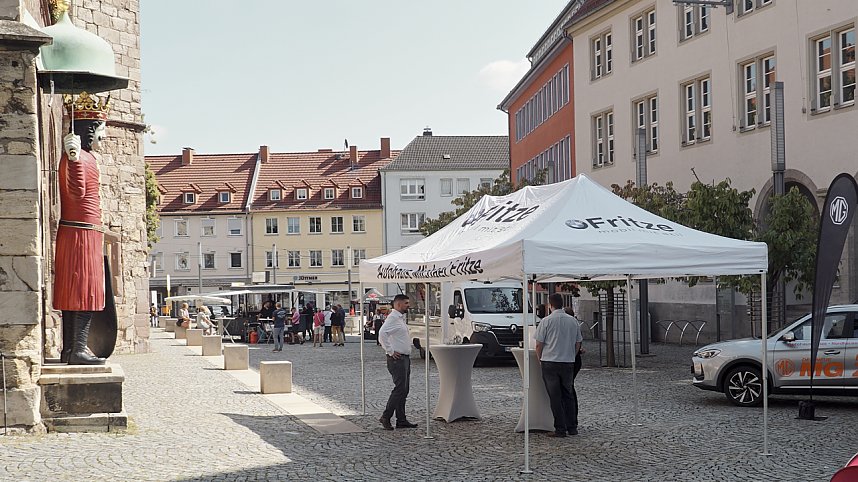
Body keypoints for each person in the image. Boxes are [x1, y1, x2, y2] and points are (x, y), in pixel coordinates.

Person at [54, 92, 115, 365]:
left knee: (75, 292)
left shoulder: (86, 157)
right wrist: (75, 159)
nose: (103, 138)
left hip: (80, 231)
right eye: (101, 131)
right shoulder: (78, 158)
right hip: (81, 233)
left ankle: (70, 349)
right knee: (85, 291)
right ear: (90, 131)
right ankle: (77, 349)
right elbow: (76, 191)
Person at [535, 293, 583, 438]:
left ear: (550, 305)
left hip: (550, 361)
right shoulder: (573, 321)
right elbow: (578, 342)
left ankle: (560, 428)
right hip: (567, 361)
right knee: (568, 395)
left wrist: (540, 359)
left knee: (555, 397)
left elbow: (538, 344)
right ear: (562, 304)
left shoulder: (546, 321)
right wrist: (572, 356)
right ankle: (572, 427)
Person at [378, 294, 418, 430]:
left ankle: (401, 419)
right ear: (398, 304)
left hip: (404, 358)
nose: (408, 305)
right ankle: (386, 416)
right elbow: (382, 333)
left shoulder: (399, 318)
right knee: (399, 389)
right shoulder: (393, 318)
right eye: (406, 303)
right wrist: (390, 351)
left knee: (404, 390)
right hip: (397, 359)